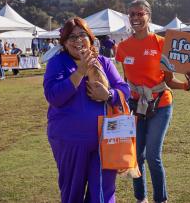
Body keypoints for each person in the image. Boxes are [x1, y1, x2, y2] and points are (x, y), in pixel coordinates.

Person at [115, 0, 190, 203]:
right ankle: (140, 198)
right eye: (131, 14)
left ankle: (161, 200)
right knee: (136, 156)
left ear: (148, 16)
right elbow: (125, 81)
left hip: (160, 104)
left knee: (152, 155)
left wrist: (187, 85)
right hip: (135, 107)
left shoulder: (161, 44)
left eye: (139, 14)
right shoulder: (123, 48)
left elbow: (169, 80)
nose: (135, 18)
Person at [43, 17, 130, 203]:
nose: (77, 40)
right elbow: (54, 96)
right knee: (72, 192)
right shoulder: (58, 63)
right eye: (71, 37)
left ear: (90, 38)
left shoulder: (104, 62)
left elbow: (124, 89)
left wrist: (108, 95)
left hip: (105, 139)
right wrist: (80, 71)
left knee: (103, 194)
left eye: (82, 35)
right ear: (64, 43)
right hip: (70, 140)